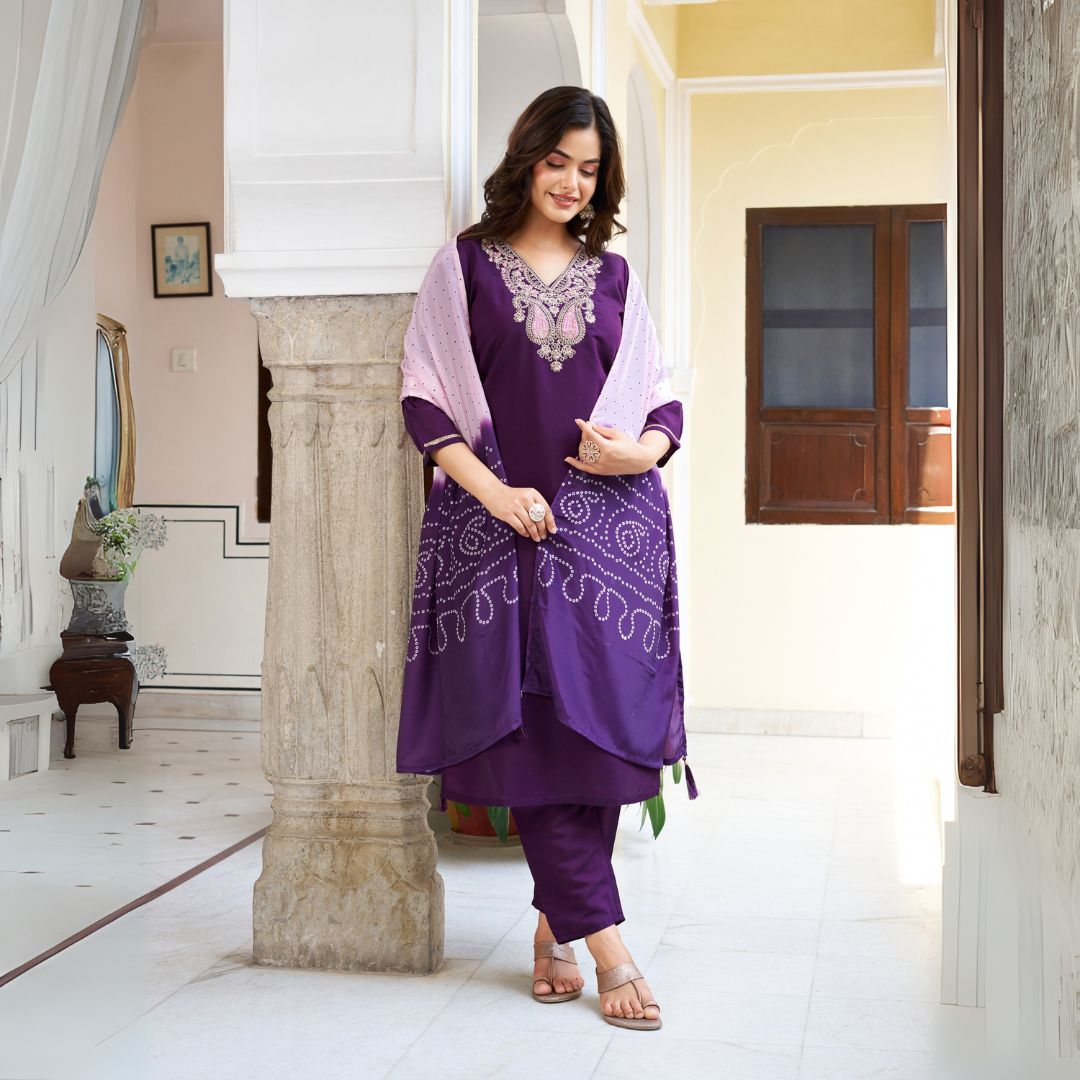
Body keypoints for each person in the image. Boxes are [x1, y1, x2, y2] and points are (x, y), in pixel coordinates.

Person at [395, 85, 696, 1032]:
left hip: (609, 545)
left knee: (597, 743)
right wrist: (495, 494)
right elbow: (425, 398)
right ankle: (610, 947)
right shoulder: (464, 269)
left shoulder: (615, 278)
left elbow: (661, 400)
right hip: (502, 538)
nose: (571, 182)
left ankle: (551, 930)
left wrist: (639, 454)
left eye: (590, 169)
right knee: (531, 741)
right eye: (558, 161)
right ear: (526, 158)